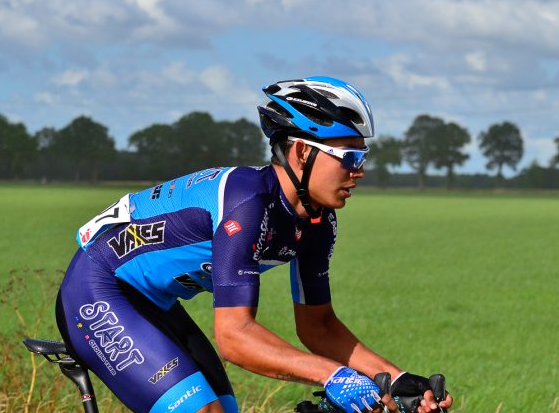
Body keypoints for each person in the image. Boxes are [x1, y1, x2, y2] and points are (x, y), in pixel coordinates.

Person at [56, 76, 454, 413]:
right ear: (302, 152)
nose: (359, 171)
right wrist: (333, 375)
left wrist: (396, 379)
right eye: (349, 157)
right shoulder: (247, 204)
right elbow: (234, 337)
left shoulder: (318, 221)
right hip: (97, 290)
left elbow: (317, 326)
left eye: (362, 157)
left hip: (155, 305)